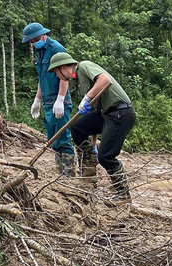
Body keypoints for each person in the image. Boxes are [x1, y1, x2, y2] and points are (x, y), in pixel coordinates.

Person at [47, 52, 136, 205]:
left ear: (62, 67)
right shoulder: (79, 81)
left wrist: (87, 97)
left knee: (106, 156)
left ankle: (123, 193)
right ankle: (89, 167)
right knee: (78, 127)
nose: (57, 76)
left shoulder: (84, 66)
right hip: (105, 114)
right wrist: (93, 145)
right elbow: (94, 114)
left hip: (120, 113)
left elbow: (105, 80)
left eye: (56, 72)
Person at [22, 22, 76, 177]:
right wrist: (37, 100)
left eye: (35, 39)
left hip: (60, 102)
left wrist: (60, 99)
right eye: (31, 41)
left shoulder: (56, 49)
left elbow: (66, 75)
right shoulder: (40, 52)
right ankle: (60, 172)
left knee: (63, 137)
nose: (33, 43)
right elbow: (42, 77)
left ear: (42, 35)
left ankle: (69, 174)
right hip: (47, 102)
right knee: (53, 139)